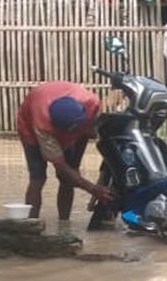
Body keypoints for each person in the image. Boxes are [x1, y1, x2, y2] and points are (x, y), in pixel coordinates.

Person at [16, 81, 114, 219]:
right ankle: (31, 224)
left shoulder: (91, 103)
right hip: (30, 130)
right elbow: (60, 165)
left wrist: (75, 166)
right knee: (37, 178)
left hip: (75, 121)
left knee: (68, 178)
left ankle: (64, 223)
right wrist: (91, 188)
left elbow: (86, 134)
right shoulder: (43, 126)